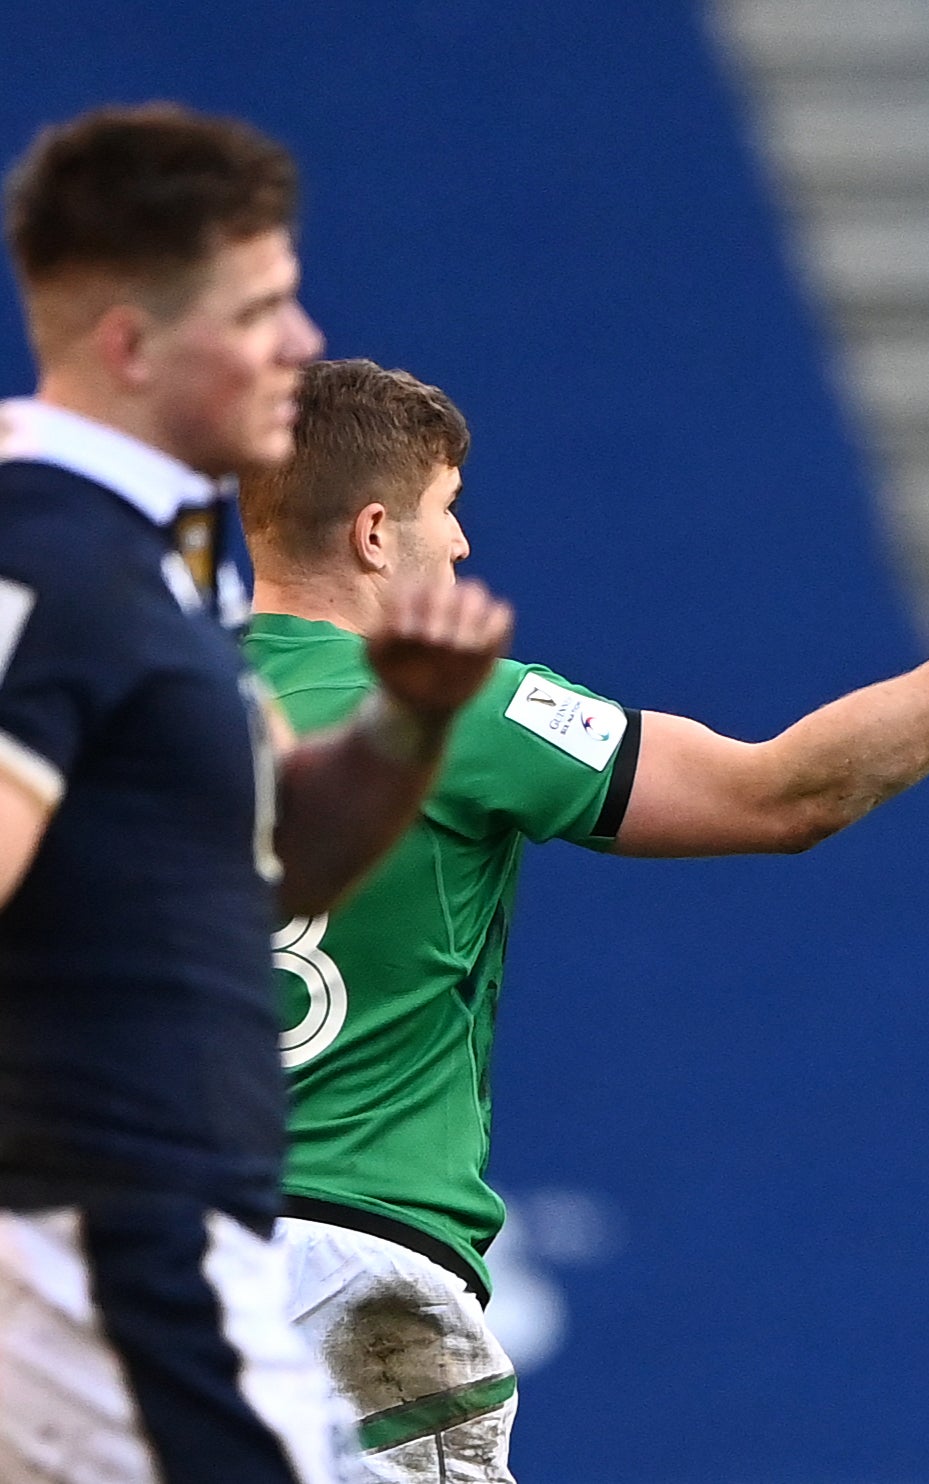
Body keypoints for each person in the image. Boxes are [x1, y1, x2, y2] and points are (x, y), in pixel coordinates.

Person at [231, 356, 929, 1480]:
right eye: (446, 515)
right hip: (356, 1290)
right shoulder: (454, 708)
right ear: (371, 532)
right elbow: (785, 793)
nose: (459, 546)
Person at [0, 107, 514, 1482]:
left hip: (144, 1252)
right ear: (132, 345)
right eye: (263, 309)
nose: (300, 341)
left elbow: (262, 869)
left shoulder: (146, 569)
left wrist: (406, 724)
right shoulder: (39, 555)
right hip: (92, 1262)